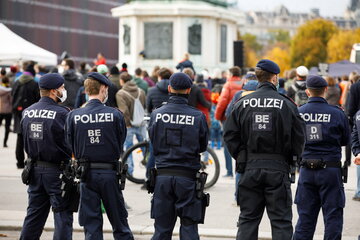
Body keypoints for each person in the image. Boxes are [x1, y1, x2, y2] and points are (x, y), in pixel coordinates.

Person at [223, 59, 306, 240]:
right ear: (275, 78)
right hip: (278, 168)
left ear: (258, 78)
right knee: (281, 222)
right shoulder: (287, 104)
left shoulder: (242, 104)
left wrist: (242, 156)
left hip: (250, 168)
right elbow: (300, 137)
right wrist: (291, 159)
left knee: (248, 220)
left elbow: (229, 134)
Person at [65, 72, 133, 240]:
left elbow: (69, 143)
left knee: (92, 225)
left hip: (86, 174)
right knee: (120, 223)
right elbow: (120, 139)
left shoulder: (73, 116)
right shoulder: (115, 114)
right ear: (103, 89)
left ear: (87, 91)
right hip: (109, 173)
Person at [148, 72, 209, 240]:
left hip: (162, 177)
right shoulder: (197, 116)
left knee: (161, 230)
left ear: (169, 88)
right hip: (188, 178)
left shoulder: (157, 114)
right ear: (189, 90)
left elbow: (153, 141)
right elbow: (202, 146)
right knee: (189, 228)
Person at [294, 75, 349, 239]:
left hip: (306, 171)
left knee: (305, 219)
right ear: (325, 90)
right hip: (330, 171)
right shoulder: (337, 113)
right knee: (333, 217)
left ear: (307, 91)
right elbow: (345, 140)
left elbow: (292, 140)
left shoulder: (299, 113)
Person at [20, 73, 73, 239]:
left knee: (34, 216)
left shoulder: (28, 112)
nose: (64, 91)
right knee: (62, 215)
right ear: (53, 91)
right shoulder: (63, 113)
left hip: (34, 170)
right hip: (57, 172)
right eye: (62, 88)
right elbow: (69, 143)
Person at [116, 72, 146, 176]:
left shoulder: (121, 93)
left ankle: (130, 171)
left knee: (128, 148)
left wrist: (127, 123)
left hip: (129, 125)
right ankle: (149, 168)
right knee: (145, 147)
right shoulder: (141, 91)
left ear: (122, 81)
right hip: (141, 123)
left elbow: (124, 111)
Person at [12, 64, 40, 168]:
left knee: (20, 138)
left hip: (18, 113)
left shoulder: (17, 82)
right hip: (30, 114)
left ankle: (19, 163)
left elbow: (12, 96)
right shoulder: (34, 83)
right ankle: (30, 161)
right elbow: (37, 99)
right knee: (31, 138)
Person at [0, 77, 12, 147]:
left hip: (0, 110)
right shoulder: (9, 91)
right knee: (7, 128)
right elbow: (11, 101)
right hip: (8, 111)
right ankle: (5, 143)